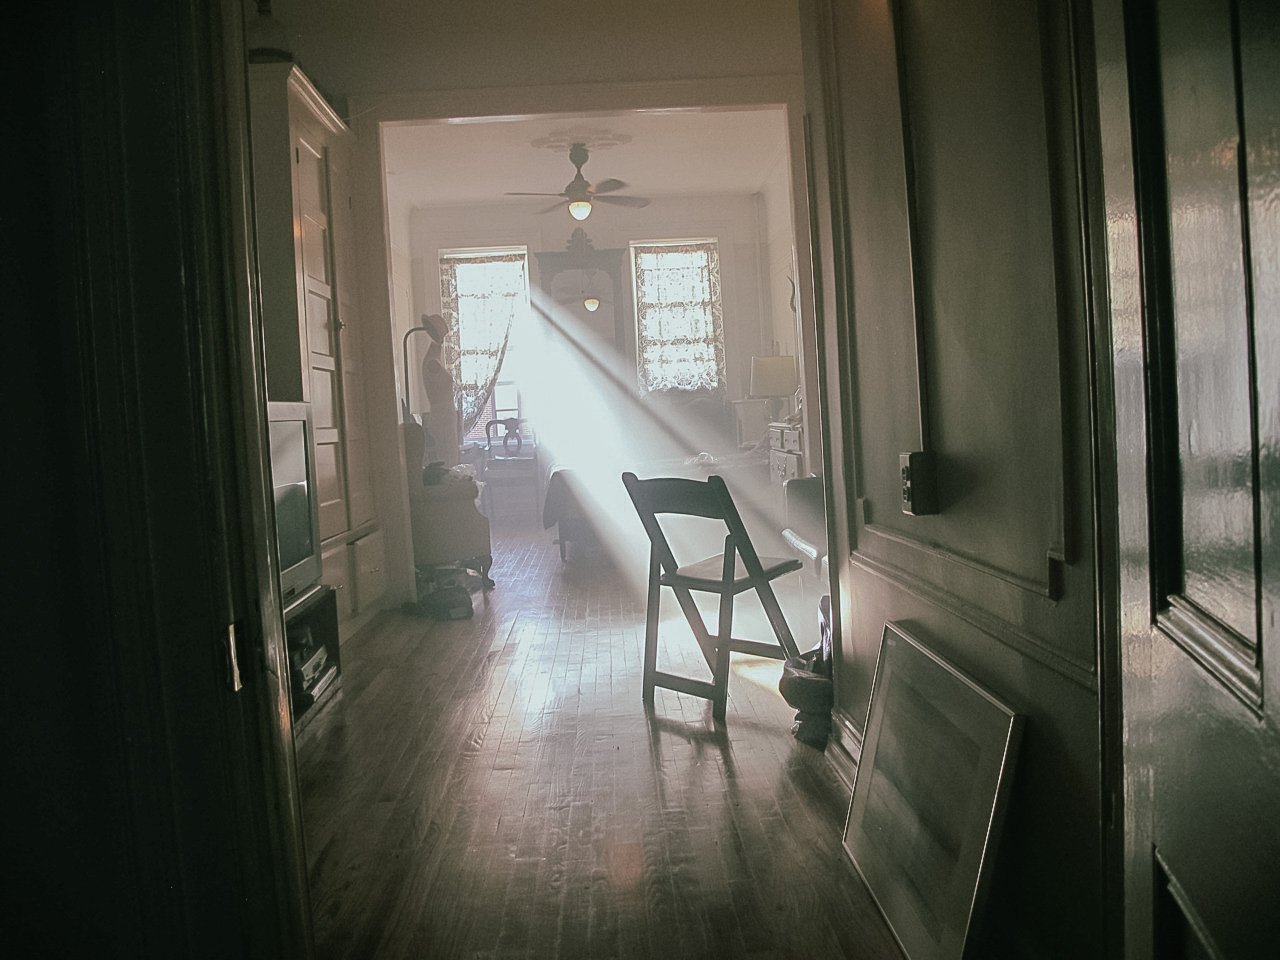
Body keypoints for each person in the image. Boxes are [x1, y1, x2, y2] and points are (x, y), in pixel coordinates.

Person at [420, 314, 460, 468]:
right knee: (446, 456)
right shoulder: (432, 363)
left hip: (446, 415)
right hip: (441, 415)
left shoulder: (434, 359)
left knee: (450, 455)